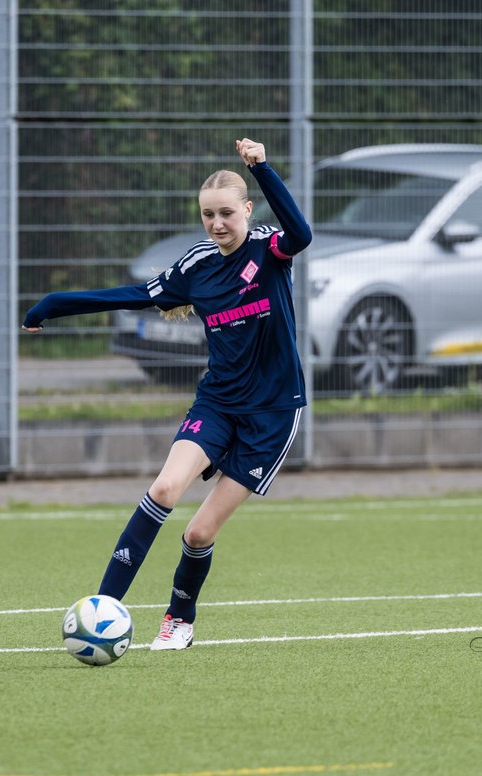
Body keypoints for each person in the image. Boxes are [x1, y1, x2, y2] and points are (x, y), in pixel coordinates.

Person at [23, 138, 312, 650]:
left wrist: (263, 168)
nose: (217, 224)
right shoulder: (197, 266)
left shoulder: (268, 250)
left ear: (247, 209)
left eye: (227, 213)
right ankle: (102, 609)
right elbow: (133, 295)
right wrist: (53, 304)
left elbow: (302, 234)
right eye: (208, 215)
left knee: (198, 535)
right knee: (162, 490)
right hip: (217, 403)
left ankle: (180, 617)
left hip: (271, 414)